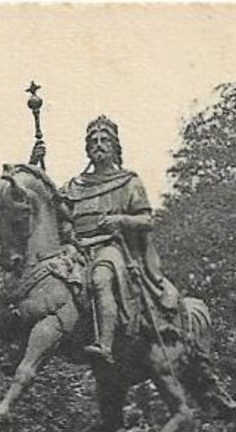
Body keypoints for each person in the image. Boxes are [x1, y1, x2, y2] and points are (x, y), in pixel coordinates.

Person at [42, 116, 179, 367]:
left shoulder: (128, 182)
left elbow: (146, 221)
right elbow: (50, 204)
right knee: (46, 279)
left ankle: (104, 344)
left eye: (104, 140)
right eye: (93, 141)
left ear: (115, 146)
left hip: (112, 247)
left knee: (100, 278)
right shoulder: (75, 186)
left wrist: (120, 220)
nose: (98, 144)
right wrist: (35, 163)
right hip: (76, 250)